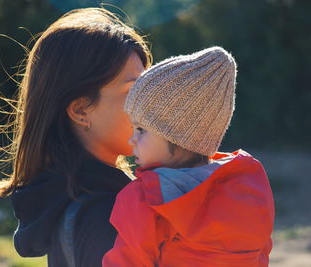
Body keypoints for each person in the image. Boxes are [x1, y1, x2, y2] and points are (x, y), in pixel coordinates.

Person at [0, 8, 152, 267]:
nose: (149, 103)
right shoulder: (106, 215)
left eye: (147, 87)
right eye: (133, 90)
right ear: (81, 110)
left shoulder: (72, 199)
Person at [102, 47, 275, 266]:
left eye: (141, 129)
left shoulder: (149, 200)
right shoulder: (248, 189)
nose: (131, 140)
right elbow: (260, 255)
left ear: (178, 137)